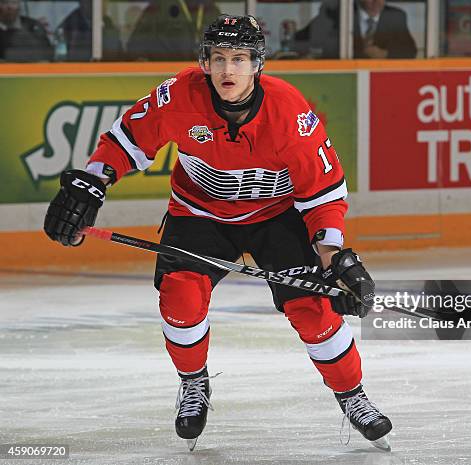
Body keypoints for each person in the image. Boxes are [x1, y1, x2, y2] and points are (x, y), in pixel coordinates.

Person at [44, 14, 393, 451]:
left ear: (257, 65)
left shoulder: (290, 113)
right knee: (180, 298)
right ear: (205, 62)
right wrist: (93, 182)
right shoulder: (178, 96)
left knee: (313, 308)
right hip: (199, 213)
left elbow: (323, 196)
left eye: (240, 59)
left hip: (276, 216)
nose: (228, 70)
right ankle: (193, 384)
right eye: (219, 58)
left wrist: (335, 258)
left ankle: (353, 395)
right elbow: (126, 140)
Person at [293, 0, 416, 59]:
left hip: (382, 82)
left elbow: (410, 51)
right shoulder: (338, 12)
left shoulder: (395, 16)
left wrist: (385, 54)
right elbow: (300, 42)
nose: (376, 1)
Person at [126, 0, 219, 60]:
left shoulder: (210, 9)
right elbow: (135, 48)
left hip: (199, 75)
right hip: (166, 74)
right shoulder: (161, 5)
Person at [57, 0, 123, 61]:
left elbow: (119, 53)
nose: (103, 5)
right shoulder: (71, 22)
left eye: (105, 1)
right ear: (82, 3)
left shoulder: (108, 22)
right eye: (90, 1)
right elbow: (62, 56)